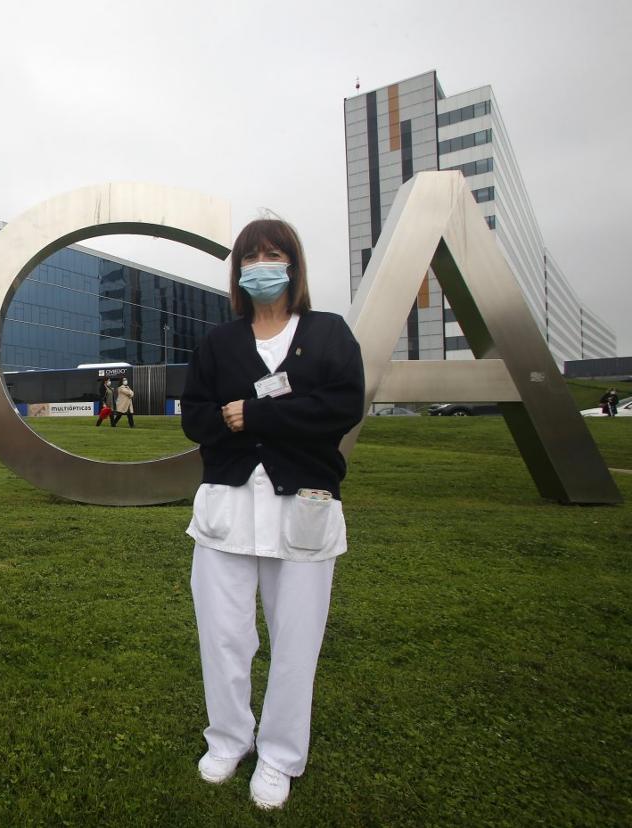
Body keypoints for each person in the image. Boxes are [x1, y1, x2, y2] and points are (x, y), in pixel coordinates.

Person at [181, 218, 365, 809]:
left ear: (293, 264)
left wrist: (252, 417)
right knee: (224, 634)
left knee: (296, 640)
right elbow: (197, 418)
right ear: (238, 270)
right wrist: (250, 418)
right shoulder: (220, 343)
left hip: (303, 509)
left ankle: (281, 754)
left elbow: (338, 408)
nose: (262, 264)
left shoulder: (329, 334)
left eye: (274, 253)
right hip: (227, 511)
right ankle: (229, 738)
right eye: (251, 256)